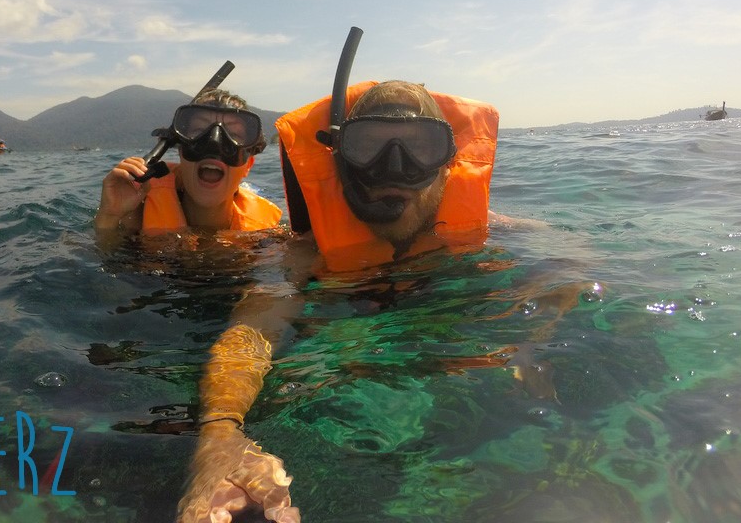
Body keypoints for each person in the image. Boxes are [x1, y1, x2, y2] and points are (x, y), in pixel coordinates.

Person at [178, 30, 533, 523]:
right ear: (340, 157)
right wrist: (220, 435)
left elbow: (575, 265)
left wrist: (536, 336)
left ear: (449, 162)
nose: (394, 168)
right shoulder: (303, 253)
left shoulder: (498, 233)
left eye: (419, 148)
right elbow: (254, 328)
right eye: (369, 146)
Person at [94, 88, 283, 245]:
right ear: (181, 153)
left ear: (247, 166)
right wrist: (109, 216)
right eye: (199, 131)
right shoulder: (136, 213)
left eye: (234, 136)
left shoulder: (268, 234)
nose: (214, 143)